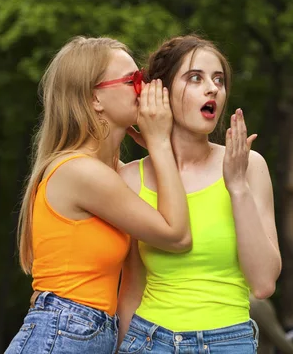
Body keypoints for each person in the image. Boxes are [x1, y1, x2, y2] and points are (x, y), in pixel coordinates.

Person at [4, 36, 192, 354]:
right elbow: (176, 235)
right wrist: (159, 142)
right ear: (95, 99)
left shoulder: (108, 172)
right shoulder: (80, 172)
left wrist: (163, 147)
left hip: (82, 333)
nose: (144, 89)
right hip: (62, 333)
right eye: (133, 80)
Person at [117, 35, 282, 353]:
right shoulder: (129, 179)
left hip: (229, 341)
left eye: (219, 80)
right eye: (196, 78)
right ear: (160, 92)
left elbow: (263, 284)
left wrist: (237, 187)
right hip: (149, 340)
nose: (213, 89)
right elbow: (131, 289)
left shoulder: (249, 167)